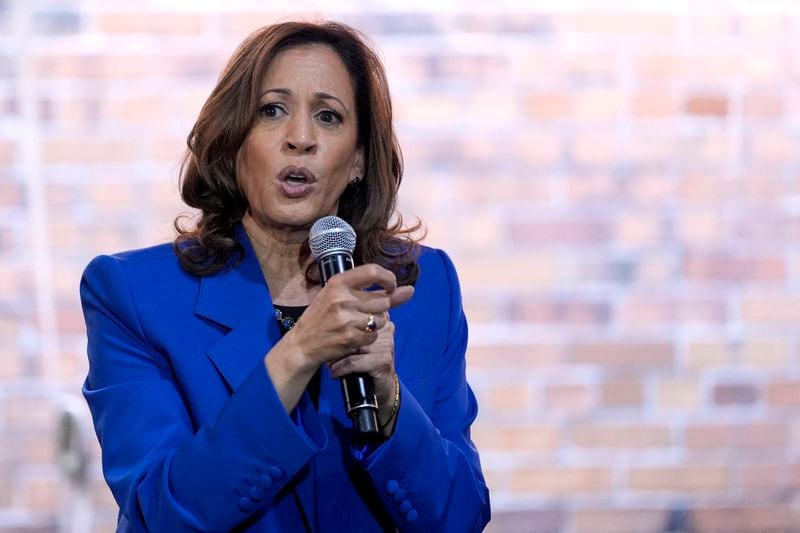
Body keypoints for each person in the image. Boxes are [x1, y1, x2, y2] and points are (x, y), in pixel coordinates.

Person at [80, 20, 490, 532]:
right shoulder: (134, 295)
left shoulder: (425, 289)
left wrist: (390, 403)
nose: (300, 138)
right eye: (272, 110)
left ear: (359, 159)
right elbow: (162, 516)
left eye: (329, 116)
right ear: (233, 142)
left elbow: (461, 517)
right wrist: (298, 353)